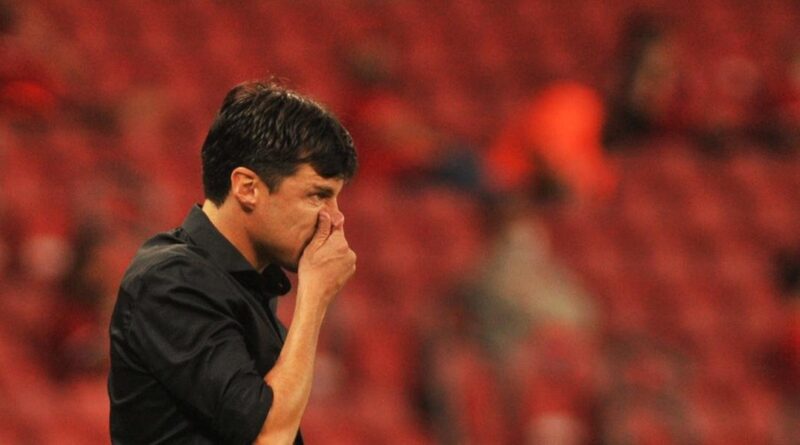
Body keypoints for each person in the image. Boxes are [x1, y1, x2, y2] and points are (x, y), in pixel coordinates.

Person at [108, 81, 358, 444]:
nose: (334, 219)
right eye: (318, 195)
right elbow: (268, 437)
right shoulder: (170, 281)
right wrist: (315, 296)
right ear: (247, 188)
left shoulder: (246, 284)